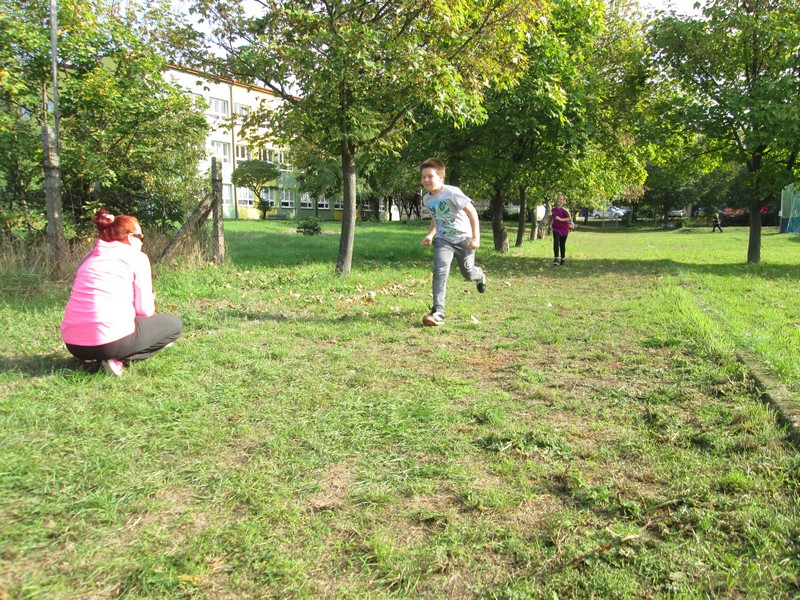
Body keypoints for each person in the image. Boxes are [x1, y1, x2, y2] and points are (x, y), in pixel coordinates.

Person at [61, 208, 183, 376]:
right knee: (174, 325)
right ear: (130, 238)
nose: (142, 243)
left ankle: (101, 357)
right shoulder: (137, 257)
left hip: (74, 345)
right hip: (110, 342)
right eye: (141, 237)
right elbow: (145, 311)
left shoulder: (88, 257)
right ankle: (119, 359)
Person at [420, 158, 487, 327]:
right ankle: (438, 311)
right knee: (440, 270)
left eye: (430, 176)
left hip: (464, 239)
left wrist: (476, 238)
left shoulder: (452, 192)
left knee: (468, 273)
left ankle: (480, 276)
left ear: (441, 177)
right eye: (423, 177)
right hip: (443, 240)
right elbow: (436, 216)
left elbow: (472, 213)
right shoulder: (427, 199)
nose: (426, 180)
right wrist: (430, 235)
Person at [551, 194, 571, 266]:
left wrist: (560, 219)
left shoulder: (565, 210)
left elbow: (569, 218)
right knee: (556, 242)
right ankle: (556, 259)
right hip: (556, 228)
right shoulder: (553, 210)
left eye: (561, 199)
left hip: (564, 229)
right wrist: (551, 224)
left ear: (563, 201)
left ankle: (563, 258)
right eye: (558, 199)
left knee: (562, 245)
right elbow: (552, 218)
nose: (559, 200)